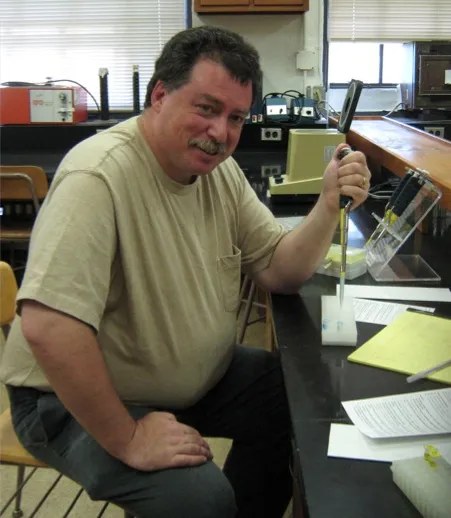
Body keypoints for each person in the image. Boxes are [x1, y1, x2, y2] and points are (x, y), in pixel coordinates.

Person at [0, 25, 370, 518]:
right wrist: (128, 437)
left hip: (183, 380)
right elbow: (48, 328)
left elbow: (279, 270)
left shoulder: (218, 172)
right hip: (65, 400)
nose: (221, 132)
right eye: (206, 108)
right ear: (159, 96)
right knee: (197, 498)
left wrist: (327, 205)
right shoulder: (98, 176)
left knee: (300, 397)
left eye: (236, 117)